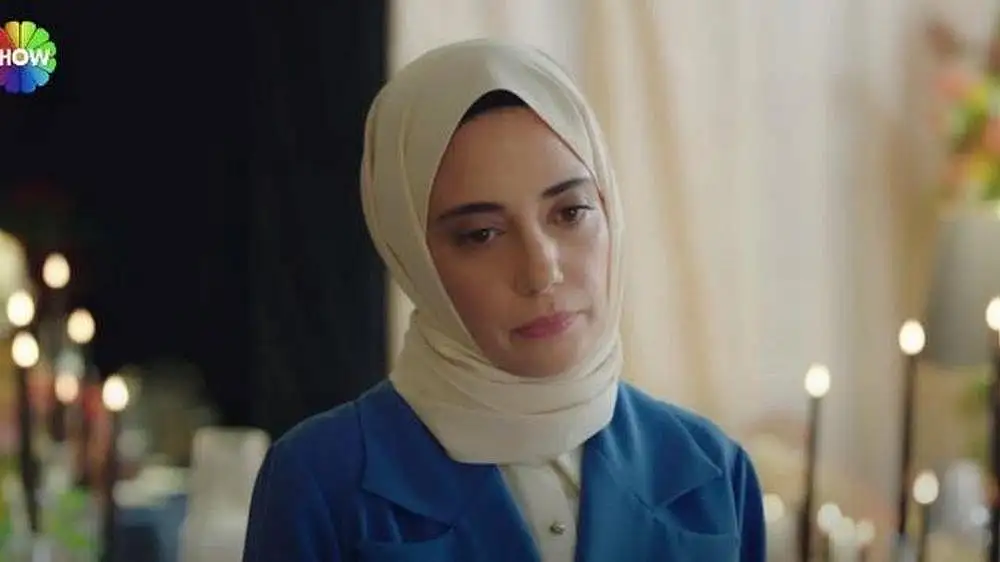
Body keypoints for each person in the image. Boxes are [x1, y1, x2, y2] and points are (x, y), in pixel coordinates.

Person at [242, 38, 765, 562]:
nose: (541, 272)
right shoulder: (320, 481)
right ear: (412, 256)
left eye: (570, 213)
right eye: (482, 234)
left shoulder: (714, 470)